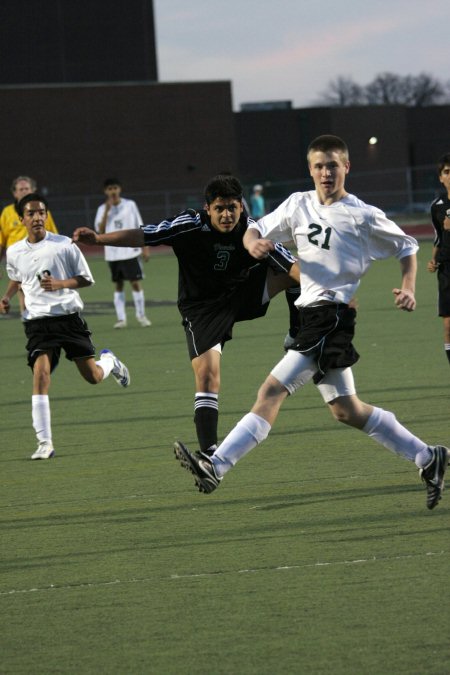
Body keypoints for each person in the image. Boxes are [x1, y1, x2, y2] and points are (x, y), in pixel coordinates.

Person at [173, 136, 449, 511]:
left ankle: (216, 466)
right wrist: (253, 242)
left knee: (271, 392)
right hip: (312, 318)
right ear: (310, 169)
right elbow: (256, 228)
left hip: (331, 317)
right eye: (319, 166)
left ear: (346, 167)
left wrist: (409, 287)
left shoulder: (362, 214)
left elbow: (407, 246)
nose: (326, 172)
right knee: (346, 409)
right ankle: (429, 457)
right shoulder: (298, 205)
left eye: (333, 165)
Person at [74, 174, 300, 456]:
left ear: (241, 207)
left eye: (232, 207)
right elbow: (145, 234)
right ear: (208, 209)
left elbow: (290, 265)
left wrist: (332, 291)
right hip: (202, 309)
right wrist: (98, 239)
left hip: (242, 296)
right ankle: (209, 454)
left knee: (296, 273)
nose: (227, 214)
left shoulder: (251, 229)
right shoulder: (189, 225)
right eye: (220, 208)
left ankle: (297, 333)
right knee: (207, 376)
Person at [0, 193, 130, 460]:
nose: (37, 217)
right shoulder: (14, 252)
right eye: (31, 213)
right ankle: (44, 442)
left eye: (41, 212)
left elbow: (85, 279)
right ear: (22, 219)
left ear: (46, 216)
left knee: (92, 376)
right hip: (37, 323)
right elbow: (17, 277)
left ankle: (110, 362)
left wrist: (60, 284)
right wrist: (6, 297)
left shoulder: (63, 245)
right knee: (40, 375)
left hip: (68, 318)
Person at [95, 177, 151, 328]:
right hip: (113, 253)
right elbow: (100, 232)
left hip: (130, 251)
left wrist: (145, 246)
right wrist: (107, 210)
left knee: (135, 283)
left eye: (115, 188)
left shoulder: (130, 205)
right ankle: (121, 319)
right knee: (118, 285)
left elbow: (140, 225)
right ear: (105, 191)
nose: (113, 191)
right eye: (109, 189)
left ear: (120, 189)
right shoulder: (102, 209)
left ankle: (141, 316)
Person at [0, 175, 58, 315]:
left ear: (33, 190)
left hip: (41, 259)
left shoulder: (44, 212)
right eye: (21, 189)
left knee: (42, 295)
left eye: (27, 188)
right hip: (18, 261)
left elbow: (54, 237)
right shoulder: (7, 213)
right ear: (15, 193)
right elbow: (1, 240)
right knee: (24, 292)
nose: (24, 191)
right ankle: (29, 322)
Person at [427, 153, 450, 367]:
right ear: (441, 178)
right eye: (447, 172)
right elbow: (438, 237)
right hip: (447, 270)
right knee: (448, 326)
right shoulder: (437, 206)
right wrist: (433, 260)